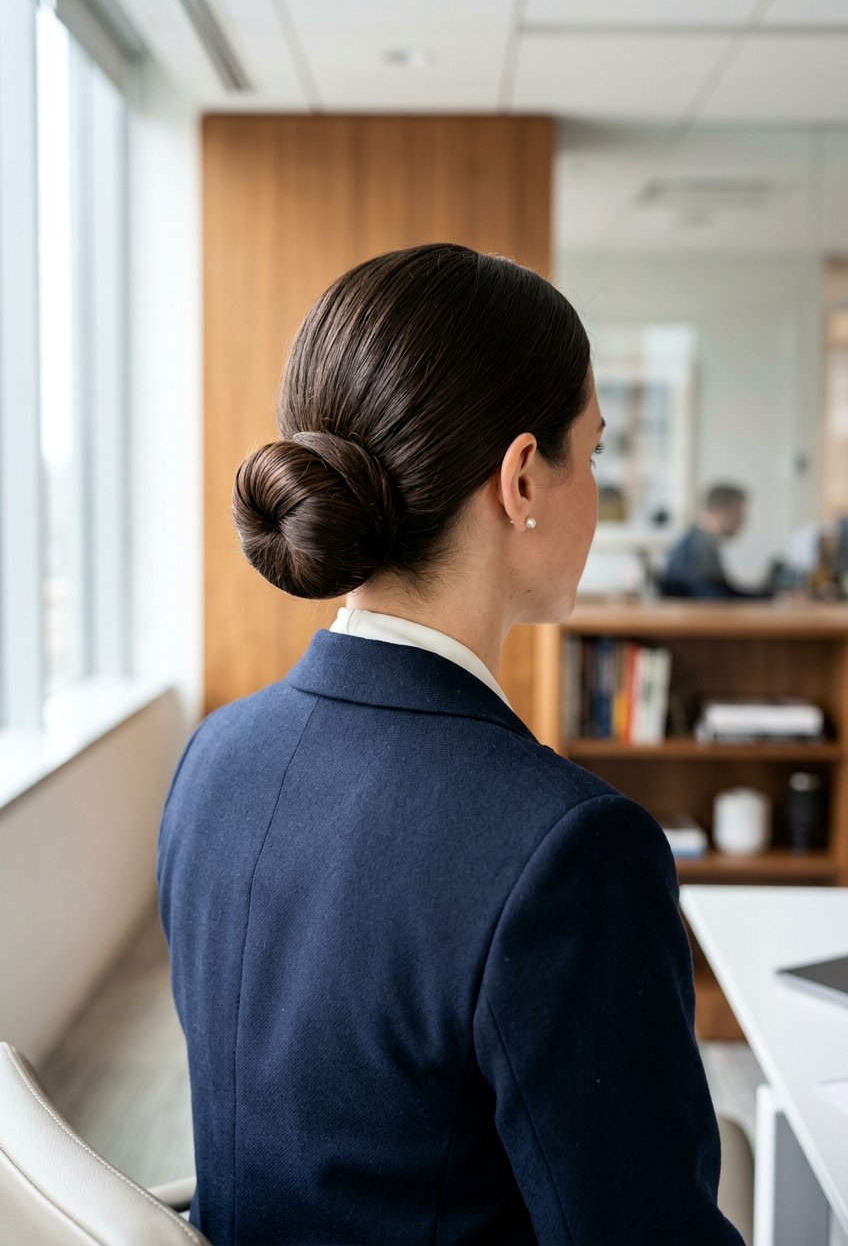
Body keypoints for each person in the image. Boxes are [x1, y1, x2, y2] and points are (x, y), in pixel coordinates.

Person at [158, 244, 745, 1246]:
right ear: (522, 475)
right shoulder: (568, 851)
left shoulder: (214, 755)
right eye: (591, 452)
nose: (594, 489)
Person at [660, 483, 771, 600]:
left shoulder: (702, 543)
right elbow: (714, 600)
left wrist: (768, 596)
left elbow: (725, 592)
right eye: (739, 513)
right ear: (719, 512)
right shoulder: (696, 549)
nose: (742, 521)